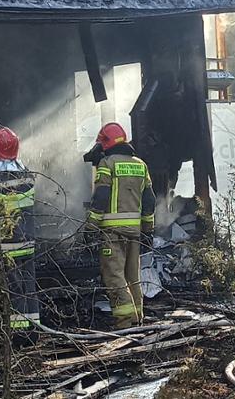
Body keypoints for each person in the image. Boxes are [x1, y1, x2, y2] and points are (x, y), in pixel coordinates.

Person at [83, 121, 155, 327]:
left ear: (106, 143)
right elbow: (149, 200)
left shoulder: (108, 164)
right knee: (132, 276)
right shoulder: (141, 165)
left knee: (114, 276)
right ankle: (137, 317)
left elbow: (101, 197)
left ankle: (124, 320)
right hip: (134, 231)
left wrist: (91, 227)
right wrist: (148, 229)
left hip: (112, 232)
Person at [0, 126, 40, 333]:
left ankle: (17, 333)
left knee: (14, 289)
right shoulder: (26, 175)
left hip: (8, 242)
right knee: (29, 286)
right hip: (27, 239)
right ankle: (33, 329)